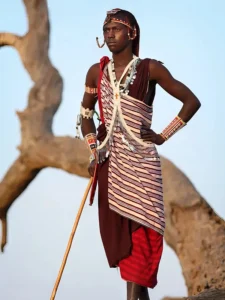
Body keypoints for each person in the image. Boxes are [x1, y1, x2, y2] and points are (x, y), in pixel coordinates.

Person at [78, 8, 201, 300]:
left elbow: (191, 101)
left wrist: (162, 135)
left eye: (115, 30)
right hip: (111, 165)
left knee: (144, 239)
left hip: (143, 165)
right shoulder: (97, 72)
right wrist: (94, 149)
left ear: (132, 33)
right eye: (106, 30)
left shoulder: (151, 69)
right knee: (127, 247)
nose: (109, 35)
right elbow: (85, 114)